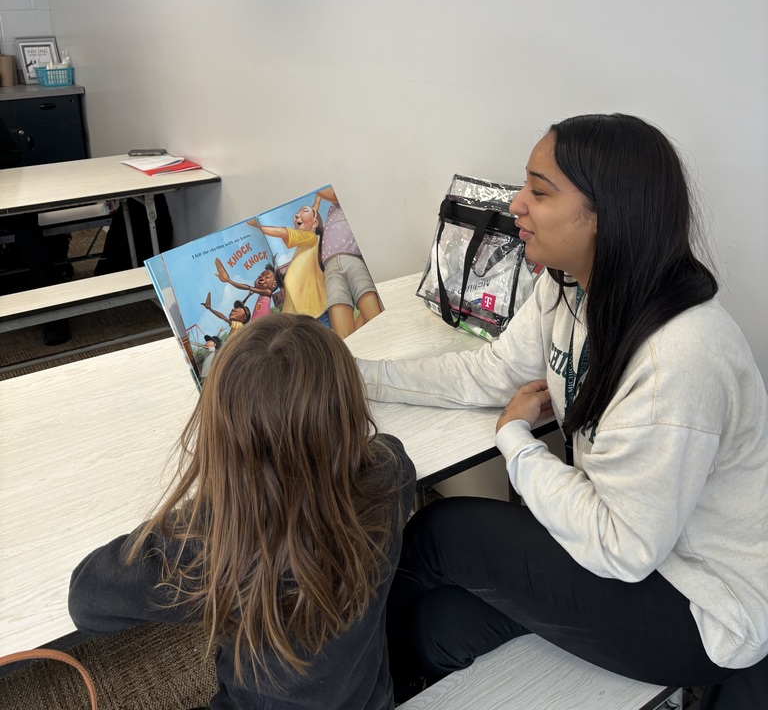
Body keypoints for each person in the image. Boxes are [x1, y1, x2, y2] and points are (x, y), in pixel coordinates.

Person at [357, 113, 768, 709]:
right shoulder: (569, 287)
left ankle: (351, 690)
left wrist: (517, 443)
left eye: (539, 190)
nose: (517, 205)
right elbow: (484, 373)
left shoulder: (681, 356)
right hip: (632, 551)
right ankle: (389, 683)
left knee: (439, 532)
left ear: (607, 213)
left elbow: (622, 547)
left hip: (699, 605)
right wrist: (356, 376)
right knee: (438, 626)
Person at [69, 314, 416, 710]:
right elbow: (387, 447)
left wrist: (214, 506)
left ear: (221, 436)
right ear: (348, 410)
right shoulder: (389, 480)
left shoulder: (209, 544)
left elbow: (86, 600)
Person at [315, 186, 383, 339]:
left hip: (353, 258)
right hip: (331, 266)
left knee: (374, 314)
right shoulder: (332, 210)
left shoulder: (348, 196)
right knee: (344, 332)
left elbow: (336, 194)